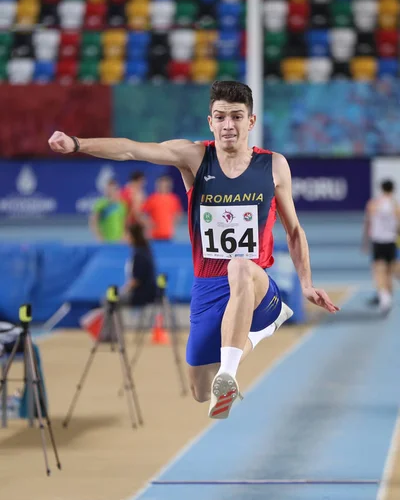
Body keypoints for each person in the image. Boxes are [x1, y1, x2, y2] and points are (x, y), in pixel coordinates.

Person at [48, 80, 339, 420]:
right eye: (220, 117)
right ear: (210, 121)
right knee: (201, 391)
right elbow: (130, 149)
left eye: (236, 116)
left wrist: (305, 283)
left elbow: (294, 230)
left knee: (240, 266)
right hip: (207, 287)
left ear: (251, 121)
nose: (228, 125)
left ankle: (228, 376)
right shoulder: (194, 158)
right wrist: (76, 143)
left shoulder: (274, 166)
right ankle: (259, 334)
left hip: (254, 284)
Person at [363, 179, 400, 312]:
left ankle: (384, 299)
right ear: (393, 189)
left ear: (381, 188)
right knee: (389, 272)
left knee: (378, 272)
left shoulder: (373, 204)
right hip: (391, 241)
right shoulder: (395, 206)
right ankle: (387, 297)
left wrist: (365, 243)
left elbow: (368, 224)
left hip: (378, 241)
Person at [142, 175, 183, 241]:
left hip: (168, 234)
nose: (164, 186)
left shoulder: (174, 199)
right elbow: (142, 213)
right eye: (162, 184)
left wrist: (172, 224)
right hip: (154, 234)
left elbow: (178, 214)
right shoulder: (152, 198)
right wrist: (148, 223)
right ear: (158, 185)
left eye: (166, 185)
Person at [90, 178, 127, 242]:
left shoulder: (122, 205)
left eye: (114, 189)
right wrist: (99, 238)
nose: (112, 192)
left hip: (119, 242)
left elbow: (124, 223)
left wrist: (124, 237)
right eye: (109, 189)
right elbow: (93, 222)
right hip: (106, 241)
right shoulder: (101, 204)